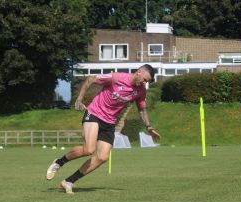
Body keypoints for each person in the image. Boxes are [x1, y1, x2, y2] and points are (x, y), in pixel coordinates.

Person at [46, 64, 161, 194]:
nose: (144, 83)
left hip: (109, 123)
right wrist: (79, 98)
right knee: (89, 149)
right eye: (144, 79)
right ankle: (59, 162)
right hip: (94, 113)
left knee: (103, 157)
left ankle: (68, 182)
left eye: (147, 82)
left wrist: (149, 127)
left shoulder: (141, 91)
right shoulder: (116, 77)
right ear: (139, 72)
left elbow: (141, 109)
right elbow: (90, 79)